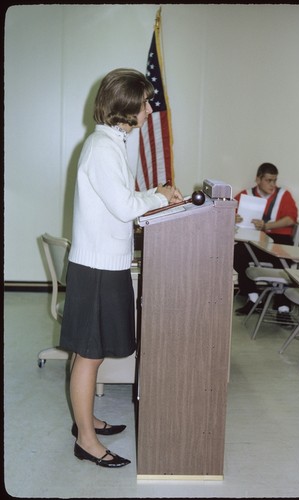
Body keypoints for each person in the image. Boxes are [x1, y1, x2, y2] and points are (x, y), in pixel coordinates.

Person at [60, 68, 183, 468]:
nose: (150, 109)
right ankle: (87, 442)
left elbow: (124, 199)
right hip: (97, 268)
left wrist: (154, 194)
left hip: (103, 263)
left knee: (89, 352)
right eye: (145, 103)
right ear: (127, 110)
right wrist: (158, 196)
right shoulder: (102, 148)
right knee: (90, 354)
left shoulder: (112, 143)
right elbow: (125, 207)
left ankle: (86, 422)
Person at [233, 162, 298, 321]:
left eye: (274, 180)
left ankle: (283, 306)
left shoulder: (284, 195)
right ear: (258, 179)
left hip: (279, 239)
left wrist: (267, 225)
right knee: (237, 254)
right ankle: (254, 296)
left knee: (282, 263)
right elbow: (229, 213)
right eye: (268, 180)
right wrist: (233, 218)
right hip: (254, 240)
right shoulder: (245, 195)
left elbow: (291, 219)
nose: (272, 185)